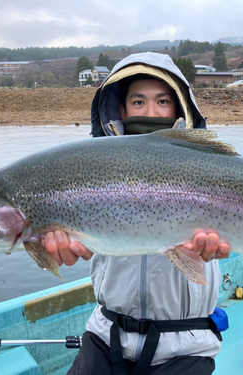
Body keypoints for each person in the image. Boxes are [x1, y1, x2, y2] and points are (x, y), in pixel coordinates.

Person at [43, 52, 230, 375]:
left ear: (180, 106)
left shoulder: (209, 166)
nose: (151, 111)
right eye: (139, 102)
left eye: (162, 101)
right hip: (106, 335)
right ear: (121, 108)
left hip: (186, 345)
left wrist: (216, 248)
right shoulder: (90, 166)